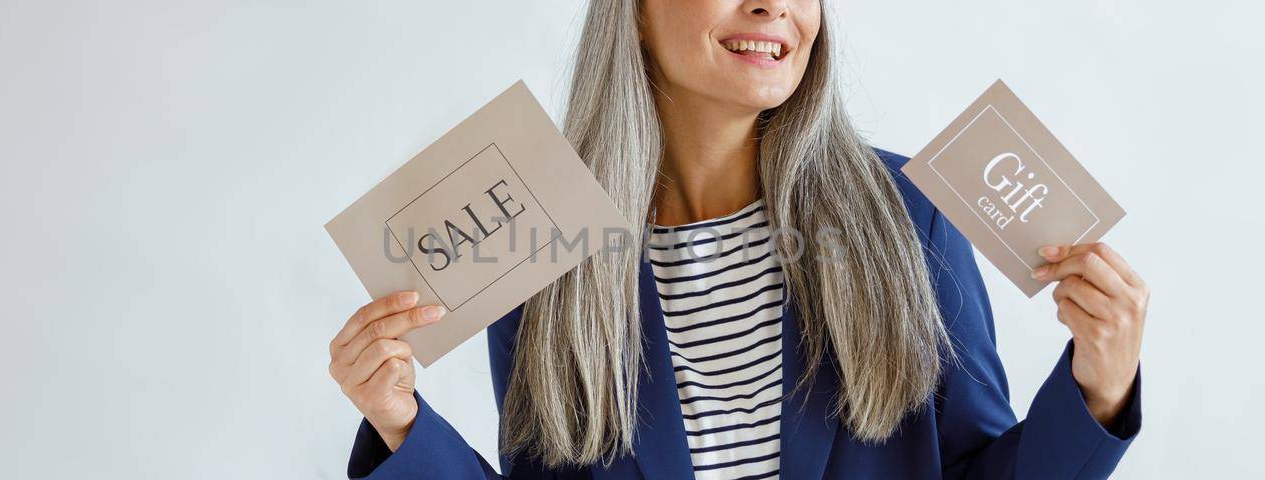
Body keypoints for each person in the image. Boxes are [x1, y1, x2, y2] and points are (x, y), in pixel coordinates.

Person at [329, 1, 1150, 478]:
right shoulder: (547, 255)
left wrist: (1098, 389)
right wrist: (402, 424)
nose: (770, 3)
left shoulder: (908, 214)